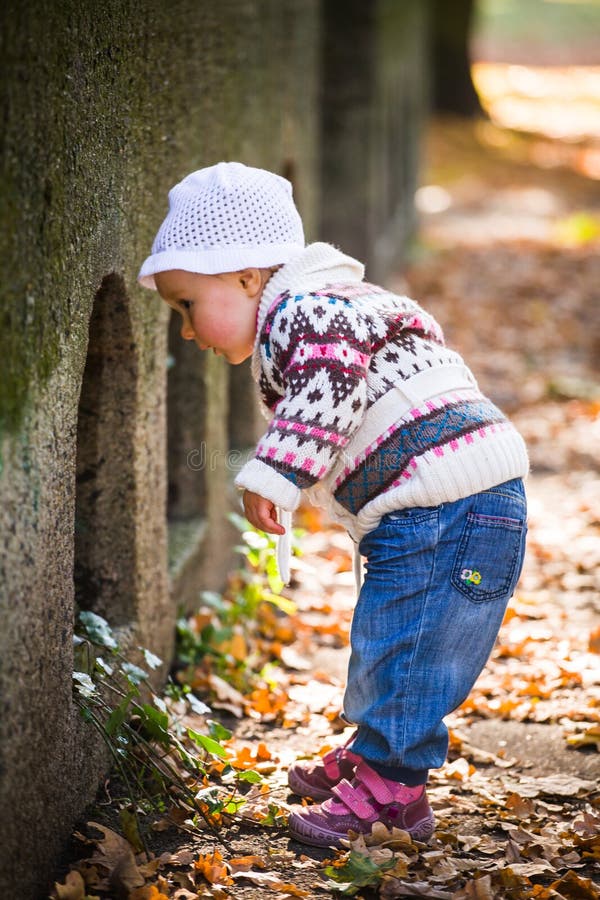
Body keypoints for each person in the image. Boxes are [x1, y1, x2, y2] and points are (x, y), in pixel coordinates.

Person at [138, 162, 529, 848]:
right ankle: (375, 758)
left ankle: (392, 791)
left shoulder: (306, 312)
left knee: (410, 651)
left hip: (451, 504)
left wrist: (276, 473)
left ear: (244, 275)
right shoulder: (330, 306)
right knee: (393, 639)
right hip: (445, 502)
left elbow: (331, 384)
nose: (187, 332)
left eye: (185, 307)